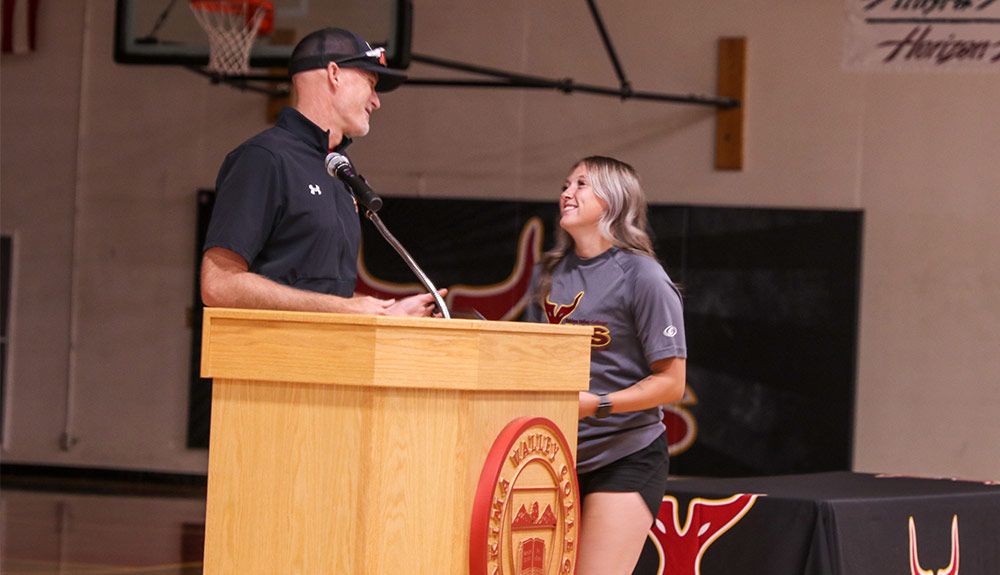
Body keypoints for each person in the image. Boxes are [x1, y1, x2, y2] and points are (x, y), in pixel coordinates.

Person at [201, 27, 441, 316]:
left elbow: (318, 291)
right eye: (370, 83)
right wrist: (343, 309)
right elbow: (217, 284)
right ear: (334, 74)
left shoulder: (338, 168)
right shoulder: (265, 158)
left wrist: (386, 314)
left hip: (322, 356)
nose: (376, 101)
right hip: (269, 357)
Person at [524, 156, 687, 575]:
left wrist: (597, 404)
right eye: (565, 184)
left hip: (624, 455)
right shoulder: (550, 273)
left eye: (582, 184)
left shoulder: (643, 276)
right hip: (551, 455)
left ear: (614, 201)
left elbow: (671, 384)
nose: (566, 193)